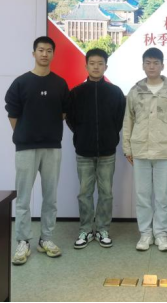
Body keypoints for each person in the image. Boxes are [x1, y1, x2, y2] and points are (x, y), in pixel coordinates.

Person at [5, 36, 69, 265]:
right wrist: (25, 133)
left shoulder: (60, 84)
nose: (44, 54)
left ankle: (46, 239)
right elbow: (13, 115)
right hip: (26, 147)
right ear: (34, 53)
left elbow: (63, 113)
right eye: (40, 50)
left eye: (49, 50)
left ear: (53, 54)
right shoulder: (21, 83)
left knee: (50, 197)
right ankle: (23, 241)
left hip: (52, 147)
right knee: (23, 198)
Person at [123, 48, 167, 252]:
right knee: (142, 195)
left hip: (164, 150)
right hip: (140, 149)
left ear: (162, 65)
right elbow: (128, 120)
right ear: (143, 65)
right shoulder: (136, 90)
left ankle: (161, 234)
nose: (152, 66)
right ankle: (145, 234)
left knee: (163, 196)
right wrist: (127, 148)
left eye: (156, 63)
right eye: (148, 63)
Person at [67, 48, 126, 249]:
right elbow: (71, 120)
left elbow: (119, 119)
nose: (96, 67)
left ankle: (102, 229)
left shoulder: (115, 92)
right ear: (86, 66)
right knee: (84, 193)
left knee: (106, 193)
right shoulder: (76, 93)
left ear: (106, 67)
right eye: (92, 63)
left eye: (100, 63)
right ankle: (85, 229)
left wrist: (110, 136)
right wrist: (83, 134)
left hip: (107, 152)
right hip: (83, 151)